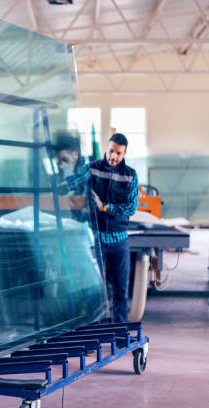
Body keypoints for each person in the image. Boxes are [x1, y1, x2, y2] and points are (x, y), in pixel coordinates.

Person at [64, 133, 139, 323]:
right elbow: (73, 181)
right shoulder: (92, 169)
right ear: (107, 148)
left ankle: (119, 336)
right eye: (111, 151)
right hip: (96, 239)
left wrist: (105, 207)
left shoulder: (130, 175)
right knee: (94, 290)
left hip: (119, 241)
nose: (113, 156)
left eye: (118, 153)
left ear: (125, 154)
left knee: (121, 290)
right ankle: (92, 338)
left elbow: (130, 208)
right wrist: (57, 187)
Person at [53, 131, 88, 223]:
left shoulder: (88, 176)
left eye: (64, 159)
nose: (61, 165)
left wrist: (68, 172)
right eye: (59, 162)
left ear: (75, 155)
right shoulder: (56, 177)